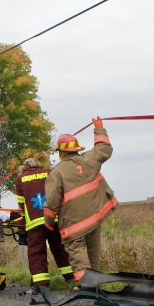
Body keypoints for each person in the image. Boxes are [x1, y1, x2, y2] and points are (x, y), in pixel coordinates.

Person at [44, 118, 118, 287]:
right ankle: (95, 283)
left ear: (61, 152)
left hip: (74, 224)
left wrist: (48, 223)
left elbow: (52, 202)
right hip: (95, 217)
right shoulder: (90, 159)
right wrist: (99, 128)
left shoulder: (57, 173)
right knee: (93, 253)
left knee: (78, 254)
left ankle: (85, 286)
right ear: (77, 149)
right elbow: (104, 148)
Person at [15, 157, 74, 292]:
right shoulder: (49, 172)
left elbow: (22, 205)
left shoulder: (20, 179)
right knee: (60, 249)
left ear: (25, 167)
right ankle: (70, 278)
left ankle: (41, 284)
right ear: (38, 165)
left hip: (34, 223)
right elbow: (59, 193)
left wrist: (22, 228)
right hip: (53, 219)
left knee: (36, 252)